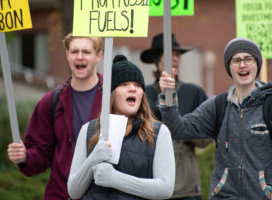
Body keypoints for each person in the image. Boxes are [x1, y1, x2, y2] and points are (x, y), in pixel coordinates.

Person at [158, 37, 272, 199]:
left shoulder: (269, 103)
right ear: (229, 67)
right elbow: (178, 129)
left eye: (248, 59)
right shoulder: (217, 105)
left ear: (257, 64)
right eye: (236, 60)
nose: (242, 65)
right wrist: (168, 98)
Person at [7, 33, 104, 199]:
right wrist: (25, 157)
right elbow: (41, 152)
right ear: (67, 55)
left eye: (86, 52)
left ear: (98, 56)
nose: (79, 57)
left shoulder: (114, 97)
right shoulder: (51, 101)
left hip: (103, 194)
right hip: (61, 194)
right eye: (74, 51)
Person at [67, 55, 175, 200]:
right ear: (110, 94)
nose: (132, 89)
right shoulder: (88, 130)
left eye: (137, 85)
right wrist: (93, 159)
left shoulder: (159, 133)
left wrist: (114, 179)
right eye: (124, 84)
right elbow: (73, 192)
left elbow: (165, 189)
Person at [140, 32, 212, 200]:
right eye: (170, 54)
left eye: (178, 54)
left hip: (187, 188)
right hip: (151, 186)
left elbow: (206, 138)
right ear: (157, 60)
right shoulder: (142, 94)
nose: (176, 58)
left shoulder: (194, 93)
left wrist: (182, 127)